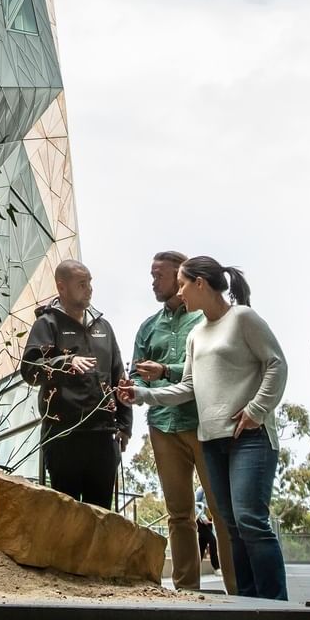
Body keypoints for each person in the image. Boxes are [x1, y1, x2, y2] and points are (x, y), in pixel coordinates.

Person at [118, 255, 289, 600]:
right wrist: (141, 393)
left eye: (182, 284)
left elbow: (276, 363)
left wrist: (257, 409)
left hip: (248, 437)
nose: (180, 292)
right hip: (211, 440)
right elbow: (188, 387)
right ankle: (247, 603)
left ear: (199, 283)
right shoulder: (196, 335)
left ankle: (276, 605)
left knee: (249, 520)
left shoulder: (243, 317)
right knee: (233, 524)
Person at [131, 250, 237, 594]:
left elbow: (206, 370)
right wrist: (137, 388)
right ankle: (187, 592)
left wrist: (165, 371)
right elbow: (137, 375)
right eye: (152, 276)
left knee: (220, 510)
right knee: (178, 514)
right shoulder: (148, 327)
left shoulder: (204, 319)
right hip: (162, 426)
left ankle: (238, 591)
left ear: (181, 277)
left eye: (158, 276)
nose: (153, 282)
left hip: (204, 424)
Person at [20, 259, 130, 507]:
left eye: (90, 282)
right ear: (62, 287)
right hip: (63, 436)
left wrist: (125, 425)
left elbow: (118, 377)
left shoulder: (104, 327)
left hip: (103, 436)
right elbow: (29, 370)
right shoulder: (47, 324)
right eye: (82, 284)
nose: (89, 289)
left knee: (102, 516)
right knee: (67, 516)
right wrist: (65, 362)